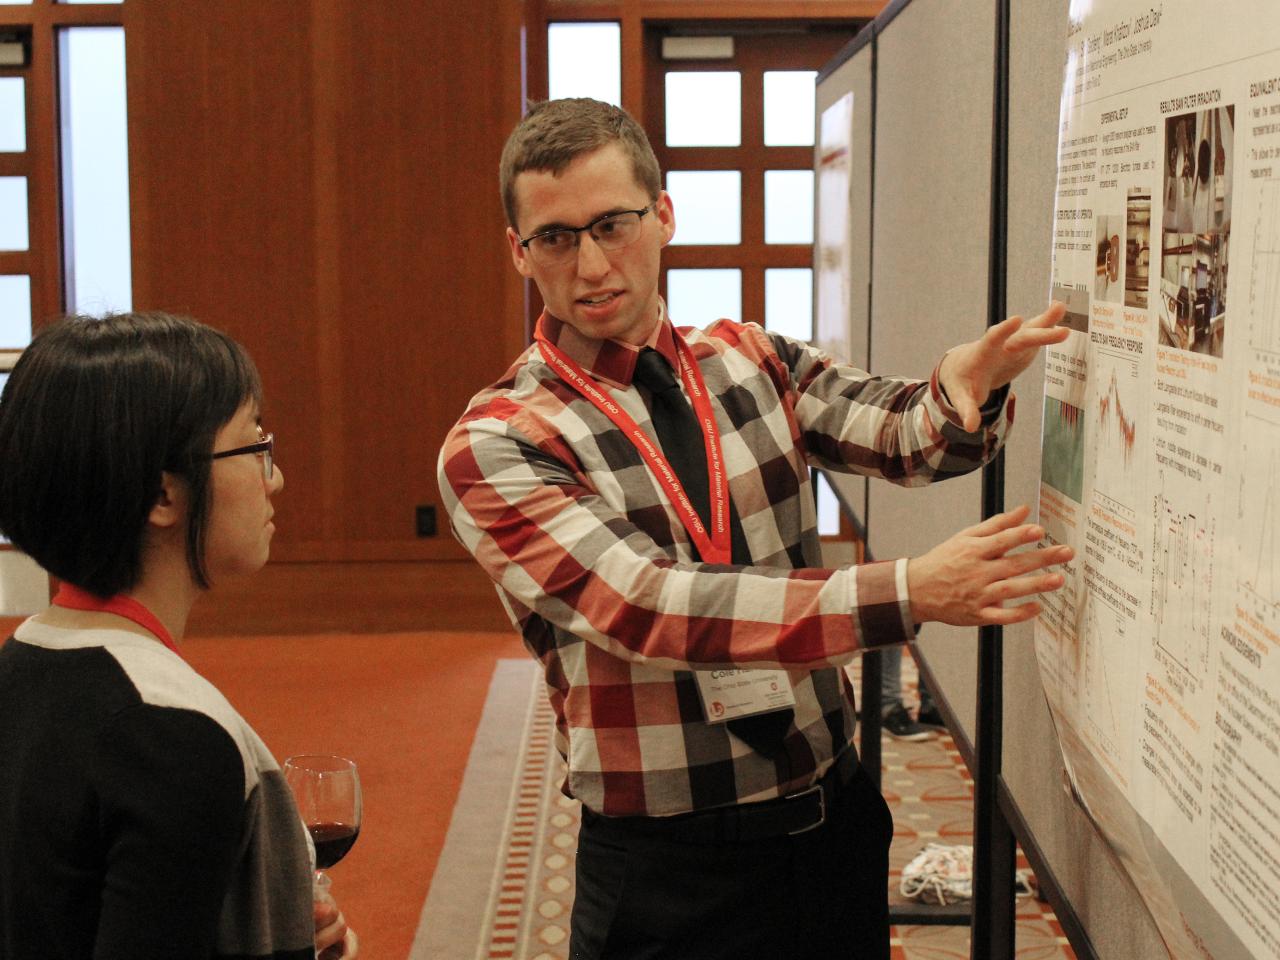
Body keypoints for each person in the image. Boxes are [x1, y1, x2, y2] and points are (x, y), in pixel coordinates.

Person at [437, 98, 1073, 959]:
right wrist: (908, 592)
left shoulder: (748, 359)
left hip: (831, 825)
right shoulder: (500, 441)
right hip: (670, 871)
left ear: (662, 215)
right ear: (518, 251)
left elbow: (901, 434)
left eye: (613, 224)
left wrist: (964, 391)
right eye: (555, 238)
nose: (590, 265)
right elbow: (649, 606)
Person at [0, 312, 357, 960]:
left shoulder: (23, 660)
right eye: (254, 446)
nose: (273, 477)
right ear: (164, 494)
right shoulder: (175, 737)